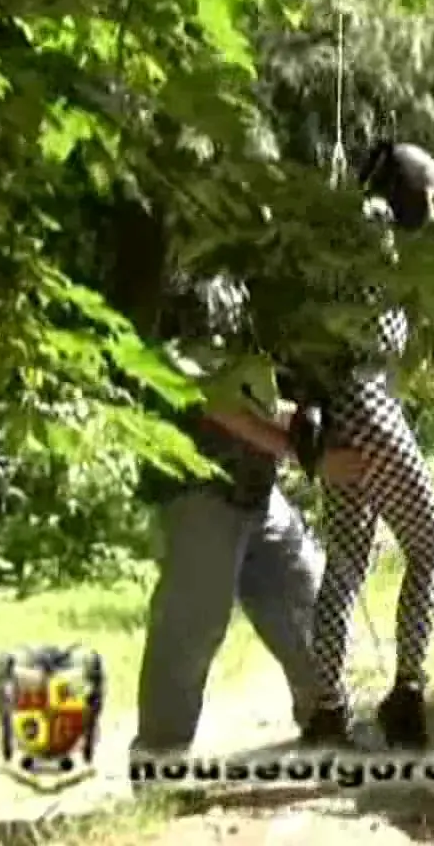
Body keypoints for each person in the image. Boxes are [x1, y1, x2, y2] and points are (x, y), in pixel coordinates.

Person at [130, 277, 368, 759]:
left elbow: (254, 397)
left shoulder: (254, 296)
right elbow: (217, 406)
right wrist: (313, 461)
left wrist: (309, 423)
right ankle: (160, 760)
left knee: (307, 592)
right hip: (199, 492)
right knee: (192, 627)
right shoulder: (196, 299)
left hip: (258, 492)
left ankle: (327, 723)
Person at [291, 142, 434, 750]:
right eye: (429, 198)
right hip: (366, 401)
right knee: (429, 542)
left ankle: (329, 709)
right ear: (407, 191)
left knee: (348, 562)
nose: (431, 214)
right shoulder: (371, 223)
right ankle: (406, 694)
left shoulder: (342, 233)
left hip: (338, 408)